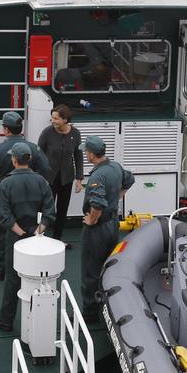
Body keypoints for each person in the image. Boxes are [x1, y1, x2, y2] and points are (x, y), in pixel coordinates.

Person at [0, 111, 51, 279]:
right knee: (32, 236)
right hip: (32, 203)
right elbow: (46, 171)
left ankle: (3, 273)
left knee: (1, 238)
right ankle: (29, 270)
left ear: (5, 130)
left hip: (5, 200)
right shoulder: (33, 149)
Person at [0, 143, 55, 332]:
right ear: (30, 160)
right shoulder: (41, 181)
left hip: (16, 237)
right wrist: (37, 231)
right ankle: (40, 323)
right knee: (40, 279)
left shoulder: (6, 183)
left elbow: (4, 215)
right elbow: (49, 212)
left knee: (13, 278)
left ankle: (6, 320)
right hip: (38, 237)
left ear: (13, 160)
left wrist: (22, 234)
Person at [79, 135, 134, 319]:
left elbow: (97, 203)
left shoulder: (97, 175)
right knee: (107, 266)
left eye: (86, 151)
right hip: (113, 225)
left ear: (92, 155)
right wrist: (117, 198)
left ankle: (90, 313)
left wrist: (92, 221)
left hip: (98, 229)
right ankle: (107, 306)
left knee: (90, 270)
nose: (85, 154)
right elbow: (129, 180)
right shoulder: (116, 167)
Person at [38, 104, 83, 242]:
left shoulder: (75, 134)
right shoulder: (47, 133)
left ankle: (58, 238)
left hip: (66, 179)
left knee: (62, 210)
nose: (53, 121)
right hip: (48, 179)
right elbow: (39, 154)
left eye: (56, 118)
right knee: (46, 209)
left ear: (65, 120)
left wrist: (79, 178)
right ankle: (39, 236)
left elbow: (78, 155)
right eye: (52, 118)